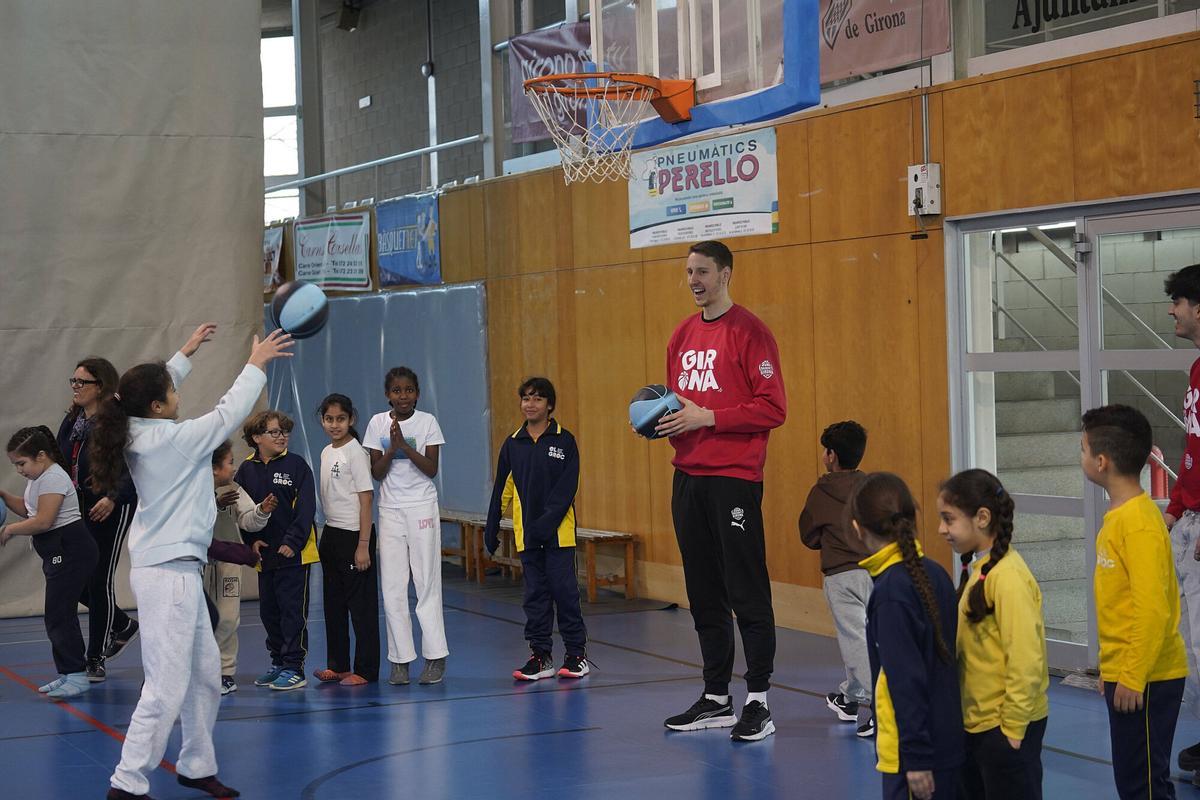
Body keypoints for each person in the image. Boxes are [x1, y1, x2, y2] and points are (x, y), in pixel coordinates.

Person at [89, 324, 293, 800]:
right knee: (165, 685)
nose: (178, 393)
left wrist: (183, 354)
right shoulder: (174, 441)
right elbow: (228, 414)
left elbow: (137, 393)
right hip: (171, 576)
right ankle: (127, 782)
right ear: (159, 406)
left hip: (172, 570)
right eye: (173, 390)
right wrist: (255, 363)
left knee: (204, 675)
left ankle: (196, 764)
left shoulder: (137, 426)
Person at [654, 240, 786, 742]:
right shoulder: (681, 335)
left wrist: (709, 416)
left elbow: (773, 408)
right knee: (702, 590)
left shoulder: (751, 332)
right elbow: (677, 403)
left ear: (725, 274)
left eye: (703, 271)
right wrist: (659, 420)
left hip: (733, 479)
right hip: (688, 477)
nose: (693, 280)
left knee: (746, 588)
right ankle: (716, 697)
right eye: (688, 272)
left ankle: (759, 700)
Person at [1082, 404, 1188, 799]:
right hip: (1129, 671)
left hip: (1148, 676)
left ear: (1102, 461)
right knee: (1135, 780)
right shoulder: (1120, 516)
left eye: (1083, 449)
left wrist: (1131, 675)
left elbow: (1152, 608)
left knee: (1143, 785)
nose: (1082, 457)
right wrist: (1112, 671)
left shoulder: (1140, 524)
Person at [848, 471, 963, 800]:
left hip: (914, 756)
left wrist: (915, 758)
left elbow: (906, 681)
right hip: (946, 741)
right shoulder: (936, 573)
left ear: (858, 528)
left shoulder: (891, 594)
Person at [938, 469, 1048, 799]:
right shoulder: (981, 571)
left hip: (1005, 728)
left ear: (982, 518)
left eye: (949, 519)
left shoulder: (1008, 578)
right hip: (979, 723)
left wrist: (1013, 729)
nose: (941, 529)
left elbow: (1026, 659)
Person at [484, 377, 588, 681]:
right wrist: (492, 525)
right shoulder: (513, 443)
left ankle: (576, 655)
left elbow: (567, 488)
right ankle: (541, 656)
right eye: (526, 398)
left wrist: (546, 524)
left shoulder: (564, 440)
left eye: (538, 398)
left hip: (558, 535)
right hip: (527, 536)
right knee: (535, 596)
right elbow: (503, 486)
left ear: (550, 405)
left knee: (565, 593)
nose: (531, 403)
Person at [56, 356, 140, 681]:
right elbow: (60, 460)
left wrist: (112, 496)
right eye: (73, 381)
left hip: (112, 505)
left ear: (100, 386)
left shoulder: (117, 423)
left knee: (99, 577)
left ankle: (96, 656)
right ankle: (121, 624)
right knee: (73, 580)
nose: (76, 387)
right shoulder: (73, 421)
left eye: (82, 382)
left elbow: (134, 467)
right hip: (79, 507)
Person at [0, 426, 99, 699]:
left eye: (22, 463)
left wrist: (9, 530)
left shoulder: (54, 478)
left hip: (71, 549)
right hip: (60, 552)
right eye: (15, 465)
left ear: (41, 456)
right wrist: (5, 496)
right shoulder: (39, 478)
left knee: (59, 614)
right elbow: (30, 509)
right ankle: (68, 673)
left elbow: (43, 521)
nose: (19, 469)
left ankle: (77, 675)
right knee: (58, 613)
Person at [364, 366, 448, 686]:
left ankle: (435, 656)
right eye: (397, 391)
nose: (403, 396)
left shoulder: (427, 422)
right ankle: (400, 660)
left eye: (409, 390)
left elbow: (431, 469)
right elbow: (377, 473)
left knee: (426, 582)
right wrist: (391, 449)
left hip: (421, 507)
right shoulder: (376, 423)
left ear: (417, 393)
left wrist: (405, 447)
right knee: (394, 587)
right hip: (390, 511)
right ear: (388, 394)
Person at [235, 410, 319, 692]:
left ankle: (295, 667)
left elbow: (306, 510)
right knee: (269, 612)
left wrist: (292, 542)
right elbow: (242, 511)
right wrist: (250, 542)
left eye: (284, 431)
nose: (281, 436)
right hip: (265, 557)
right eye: (274, 432)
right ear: (257, 437)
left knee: (292, 612)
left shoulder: (297, 466)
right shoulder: (245, 470)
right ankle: (279, 662)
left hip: (295, 555)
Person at [799, 420, 872, 736]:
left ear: (830, 455)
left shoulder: (820, 492)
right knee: (870, 638)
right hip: (877, 572)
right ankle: (850, 698)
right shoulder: (873, 488)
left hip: (841, 576)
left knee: (854, 640)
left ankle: (881, 708)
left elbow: (808, 534)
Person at [1162, 263, 1200, 781]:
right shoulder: (1196, 370)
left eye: (1178, 301)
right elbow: (1194, 452)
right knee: (1190, 643)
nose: (1172, 310)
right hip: (1189, 518)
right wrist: (1175, 506)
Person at [314, 393, 380, 686]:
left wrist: (363, 545)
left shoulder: (356, 452)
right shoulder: (327, 451)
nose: (334, 425)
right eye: (329, 419)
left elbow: (366, 499)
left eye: (340, 419)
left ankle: (365, 670)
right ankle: (338, 664)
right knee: (334, 605)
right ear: (322, 420)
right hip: (331, 532)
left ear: (350, 419)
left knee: (361, 608)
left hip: (355, 535)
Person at [208, 441, 275, 695]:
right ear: (214, 468)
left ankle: (225, 673)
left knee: (227, 618)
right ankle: (201, 672)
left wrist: (261, 511)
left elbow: (248, 520)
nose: (234, 468)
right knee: (200, 621)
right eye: (229, 463)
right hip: (200, 564)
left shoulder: (234, 489)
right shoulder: (192, 490)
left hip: (228, 563)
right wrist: (215, 503)